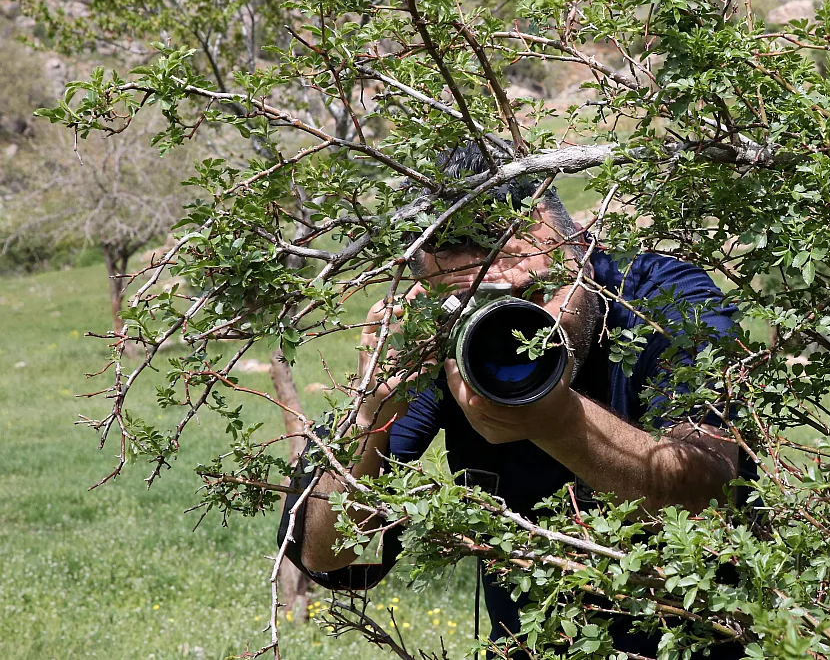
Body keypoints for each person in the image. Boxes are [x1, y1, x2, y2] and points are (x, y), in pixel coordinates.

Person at [279, 144, 748, 654]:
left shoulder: (663, 301)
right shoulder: (441, 339)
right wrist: (370, 410)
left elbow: (711, 492)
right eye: (473, 305)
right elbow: (324, 553)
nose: (513, 334)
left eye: (527, 299)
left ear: (580, 249)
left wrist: (556, 422)